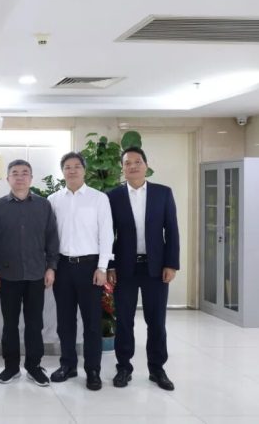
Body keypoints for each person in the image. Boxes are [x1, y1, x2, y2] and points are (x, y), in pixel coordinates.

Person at [107, 146, 180, 391]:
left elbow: (172, 231)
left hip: (156, 268)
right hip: (124, 268)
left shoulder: (163, 193)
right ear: (123, 168)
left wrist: (171, 264)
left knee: (156, 321)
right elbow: (107, 234)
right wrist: (110, 265)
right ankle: (123, 367)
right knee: (124, 321)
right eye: (127, 163)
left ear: (146, 165)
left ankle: (157, 369)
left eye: (137, 162)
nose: (133, 166)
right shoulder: (113, 196)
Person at [0, 159, 59, 387]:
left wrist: (51, 267)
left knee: (34, 323)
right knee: (10, 324)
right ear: (7, 178)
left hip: (37, 274)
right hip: (7, 275)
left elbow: (52, 238)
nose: (20, 177)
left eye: (24, 173)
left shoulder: (43, 205)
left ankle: (34, 366)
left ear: (31, 178)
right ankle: (11, 367)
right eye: (15, 173)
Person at [47, 152, 113, 391]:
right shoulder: (53, 200)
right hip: (62, 266)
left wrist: (102, 267)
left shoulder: (98, 198)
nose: (72, 170)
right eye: (67, 167)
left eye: (77, 166)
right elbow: (49, 236)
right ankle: (68, 365)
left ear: (84, 170)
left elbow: (106, 234)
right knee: (65, 321)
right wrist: (50, 266)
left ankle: (93, 370)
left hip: (90, 267)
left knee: (92, 322)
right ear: (62, 171)